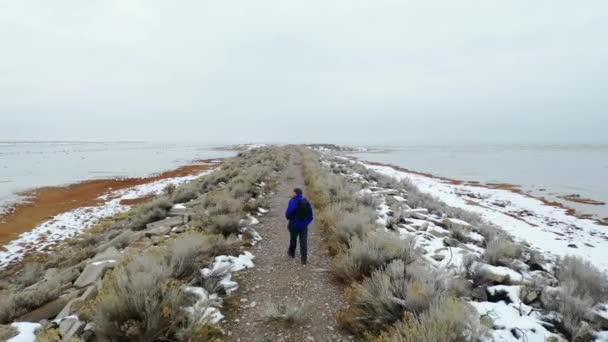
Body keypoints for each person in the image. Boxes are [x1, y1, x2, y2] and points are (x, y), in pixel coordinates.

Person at [285, 187, 314, 265]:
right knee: (303, 242)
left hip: (294, 224)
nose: (292, 194)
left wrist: (288, 218)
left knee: (293, 239)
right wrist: (306, 223)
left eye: (293, 192)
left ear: (295, 193)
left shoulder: (293, 201)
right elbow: (311, 215)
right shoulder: (306, 201)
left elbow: (288, 212)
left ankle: (292, 253)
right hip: (304, 226)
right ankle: (304, 259)